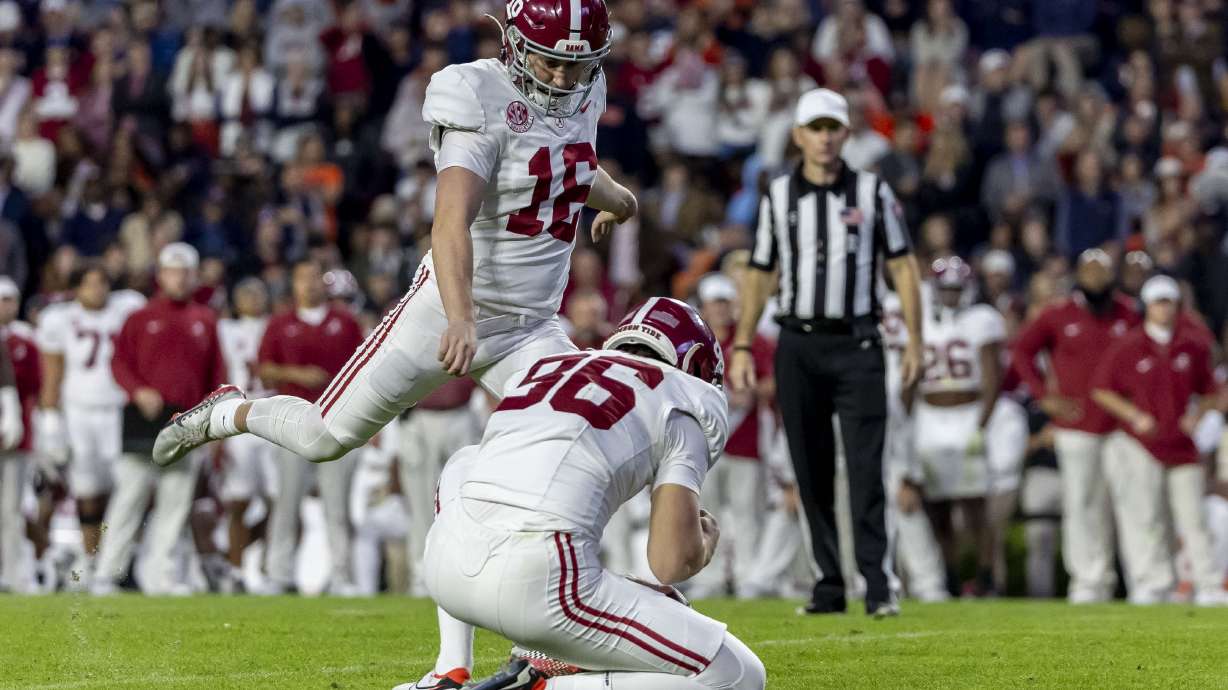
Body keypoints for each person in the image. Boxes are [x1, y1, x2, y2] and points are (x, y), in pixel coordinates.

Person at [155, 0, 634, 682]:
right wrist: (462, 317)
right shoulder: (477, 94)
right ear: (515, 44)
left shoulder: (585, 89)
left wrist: (616, 198)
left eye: (576, 64)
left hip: (531, 326)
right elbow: (451, 219)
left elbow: (568, 168)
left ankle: (484, 659)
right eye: (551, 60)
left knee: (573, 453)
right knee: (326, 437)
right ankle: (231, 410)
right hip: (448, 308)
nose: (561, 77)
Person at [415, 297, 765, 690]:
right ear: (696, 364)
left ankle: (448, 669)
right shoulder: (682, 399)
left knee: (466, 460)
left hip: (443, 568)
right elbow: (669, 563)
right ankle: (542, 687)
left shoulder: (555, 367)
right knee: (740, 675)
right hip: (543, 584)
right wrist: (703, 542)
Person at [731, 87, 924, 616]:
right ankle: (829, 582)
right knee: (809, 468)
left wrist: (916, 340)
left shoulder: (872, 191)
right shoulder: (777, 196)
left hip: (859, 341)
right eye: (814, 128)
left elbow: (903, 265)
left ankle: (878, 582)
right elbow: (760, 270)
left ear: (845, 133)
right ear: (798, 135)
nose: (823, 137)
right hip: (798, 342)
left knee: (866, 468)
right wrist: (744, 342)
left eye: (831, 127)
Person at [92, 243, 226, 595]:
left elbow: (217, 375)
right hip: (143, 417)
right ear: (160, 275)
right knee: (129, 496)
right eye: (172, 271)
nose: (179, 278)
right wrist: (138, 391)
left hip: (187, 420)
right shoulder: (140, 317)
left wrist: (214, 425)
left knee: (176, 502)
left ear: (194, 276)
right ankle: (107, 573)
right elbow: (119, 362)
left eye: (185, 272)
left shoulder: (205, 320)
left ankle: (159, 574)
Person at [1010, 249, 1140, 603]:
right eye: (1090, 271)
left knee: (1128, 503)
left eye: (1103, 271)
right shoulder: (1057, 313)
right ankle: (1087, 581)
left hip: (1121, 426)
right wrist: (1042, 395)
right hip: (1076, 423)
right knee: (1081, 503)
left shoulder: (1129, 312)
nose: (1096, 278)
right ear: (1079, 275)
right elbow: (1021, 351)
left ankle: (1134, 581)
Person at [1091, 275, 1228, 606]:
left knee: (1193, 517)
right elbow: (1102, 389)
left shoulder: (1192, 345)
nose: (1164, 309)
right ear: (1147, 306)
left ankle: (1208, 583)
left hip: (1182, 445)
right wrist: (1134, 415)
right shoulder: (1128, 345)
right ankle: (1154, 582)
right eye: (1158, 302)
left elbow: (1212, 393)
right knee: (1148, 517)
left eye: (1169, 302)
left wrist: (1198, 414)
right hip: (1143, 445)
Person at [35, 264, 145, 590]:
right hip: (78, 411)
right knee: (87, 492)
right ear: (75, 288)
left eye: (101, 283)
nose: (96, 289)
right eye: (89, 284)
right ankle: (91, 557)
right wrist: (51, 420)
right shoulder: (59, 318)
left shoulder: (126, 308)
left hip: (118, 410)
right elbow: (52, 374)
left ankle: (120, 560)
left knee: (125, 491)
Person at [257, 260, 363, 595]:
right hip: (291, 420)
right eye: (302, 278)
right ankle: (279, 572)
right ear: (294, 284)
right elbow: (264, 369)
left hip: (335, 422)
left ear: (324, 283)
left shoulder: (344, 322)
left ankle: (342, 575)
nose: (309, 284)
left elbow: (364, 368)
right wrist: (298, 374)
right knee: (286, 501)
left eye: (314, 277)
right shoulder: (280, 322)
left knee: (337, 504)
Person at [910, 256, 1008, 596]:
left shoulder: (982, 319)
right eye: (945, 289)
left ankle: (985, 577)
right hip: (929, 416)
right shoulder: (919, 318)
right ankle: (948, 576)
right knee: (937, 508)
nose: (950, 296)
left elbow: (993, 376)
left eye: (955, 289)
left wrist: (981, 424)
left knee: (975, 506)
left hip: (967, 412)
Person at [685, 273, 771, 599]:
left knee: (747, 512)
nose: (720, 309)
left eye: (724, 302)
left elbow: (774, 379)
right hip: (705, 444)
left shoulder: (750, 340)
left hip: (744, 441)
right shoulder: (694, 341)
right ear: (703, 306)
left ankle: (748, 575)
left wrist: (751, 392)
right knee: (706, 512)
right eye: (714, 303)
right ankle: (710, 577)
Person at [215, 277, 275, 592]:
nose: (252, 298)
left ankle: (269, 567)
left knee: (279, 501)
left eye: (258, 293)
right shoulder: (224, 329)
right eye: (245, 293)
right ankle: (236, 569)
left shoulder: (276, 325)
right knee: (238, 501)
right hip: (237, 421)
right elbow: (217, 374)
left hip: (275, 419)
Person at [0, 277, 33, 591]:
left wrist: (12, 415)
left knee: (12, 509)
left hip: (12, 434)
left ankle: (13, 574)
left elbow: (28, 385)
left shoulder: (24, 338)